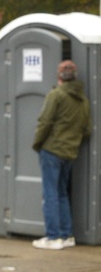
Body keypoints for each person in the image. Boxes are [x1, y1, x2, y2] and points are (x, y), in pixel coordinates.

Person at [31, 60, 91, 250]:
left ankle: (53, 236)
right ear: (75, 75)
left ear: (59, 76)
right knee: (62, 193)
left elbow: (45, 121)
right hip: (70, 152)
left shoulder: (55, 95)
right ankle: (67, 235)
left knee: (50, 194)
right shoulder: (83, 99)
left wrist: (37, 143)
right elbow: (87, 129)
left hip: (52, 149)